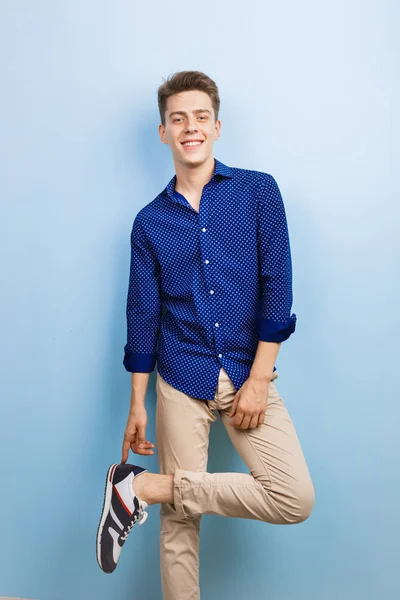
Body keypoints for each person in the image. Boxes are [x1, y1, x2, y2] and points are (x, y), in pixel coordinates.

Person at [96, 70, 315, 598]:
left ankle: (141, 487)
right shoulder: (149, 222)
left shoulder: (259, 192)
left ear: (216, 126)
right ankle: (147, 493)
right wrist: (137, 404)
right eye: (178, 119)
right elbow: (142, 317)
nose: (189, 127)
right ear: (163, 132)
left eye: (199, 117)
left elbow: (277, 286)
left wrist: (259, 379)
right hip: (180, 373)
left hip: (247, 370)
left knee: (293, 496)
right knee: (179, 524)